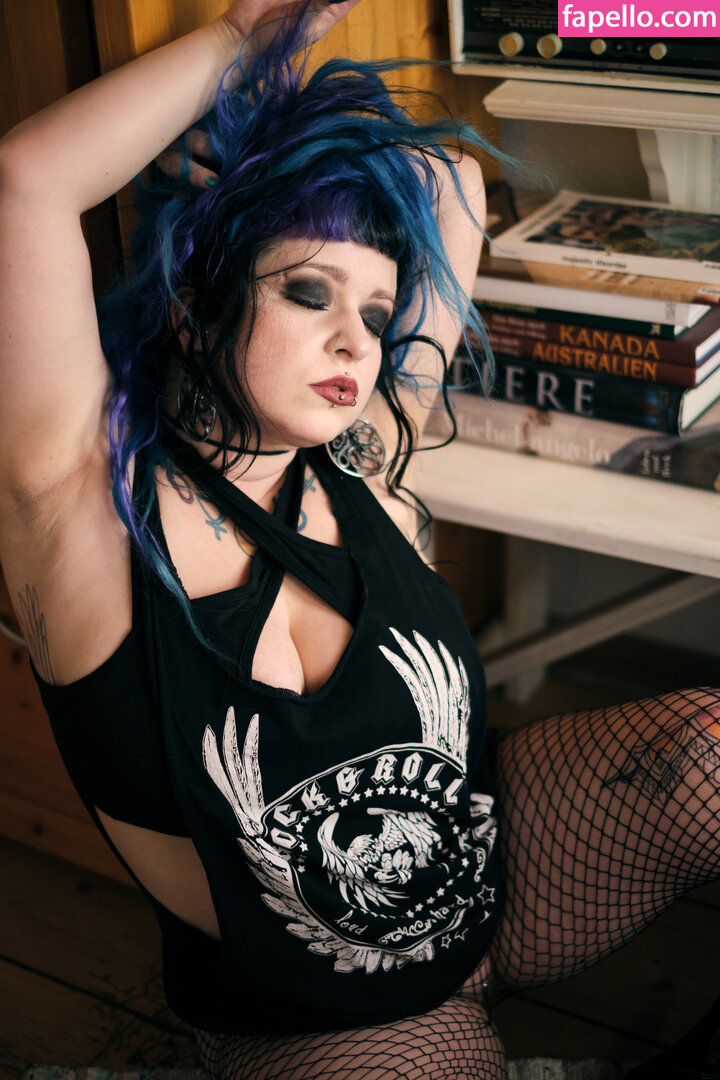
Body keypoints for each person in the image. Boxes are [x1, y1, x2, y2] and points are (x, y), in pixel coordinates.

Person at [0, 2, 718, 1077]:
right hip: (323, 1016)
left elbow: (449, 181)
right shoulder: (82, 512)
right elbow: (28, 180)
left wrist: (289, 143)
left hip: (502, 884)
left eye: (379, 315)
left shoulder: (368, 457)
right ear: (195, 303)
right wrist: (242, 45)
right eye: (309, 293)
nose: (357, 343)